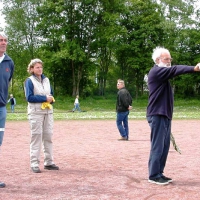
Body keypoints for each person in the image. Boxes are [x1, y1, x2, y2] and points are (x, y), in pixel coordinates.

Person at [146, 46, 200, 185]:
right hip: (157, 114)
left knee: (164, 145)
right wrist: (194, 68)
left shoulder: (162, 74)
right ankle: (153, 175)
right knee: (158, 145)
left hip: (164, 115)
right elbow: (175, 70)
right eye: (166, 58)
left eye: (170, 58)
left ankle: (159, 173)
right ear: (158, 60)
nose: (169, 61)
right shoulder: (156, 71)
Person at [24, 58, 59, 173]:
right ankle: (34, 163)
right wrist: (44, 98)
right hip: (35, 113)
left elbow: (51, 94)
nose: (40, 69)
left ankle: (49, 162)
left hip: (48, 112)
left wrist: (51, 99)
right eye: (37, 67)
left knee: (48, 136)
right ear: (32, 69)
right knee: (36, 136)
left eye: (41, 67)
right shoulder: (29, 81)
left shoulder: (46, 80)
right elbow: (29, 97)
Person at [0, 32, 14, 188]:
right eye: (0, 40)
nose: (3, 42)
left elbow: (7, 82)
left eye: (5, 40)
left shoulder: (9, 62)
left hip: (1, 109)